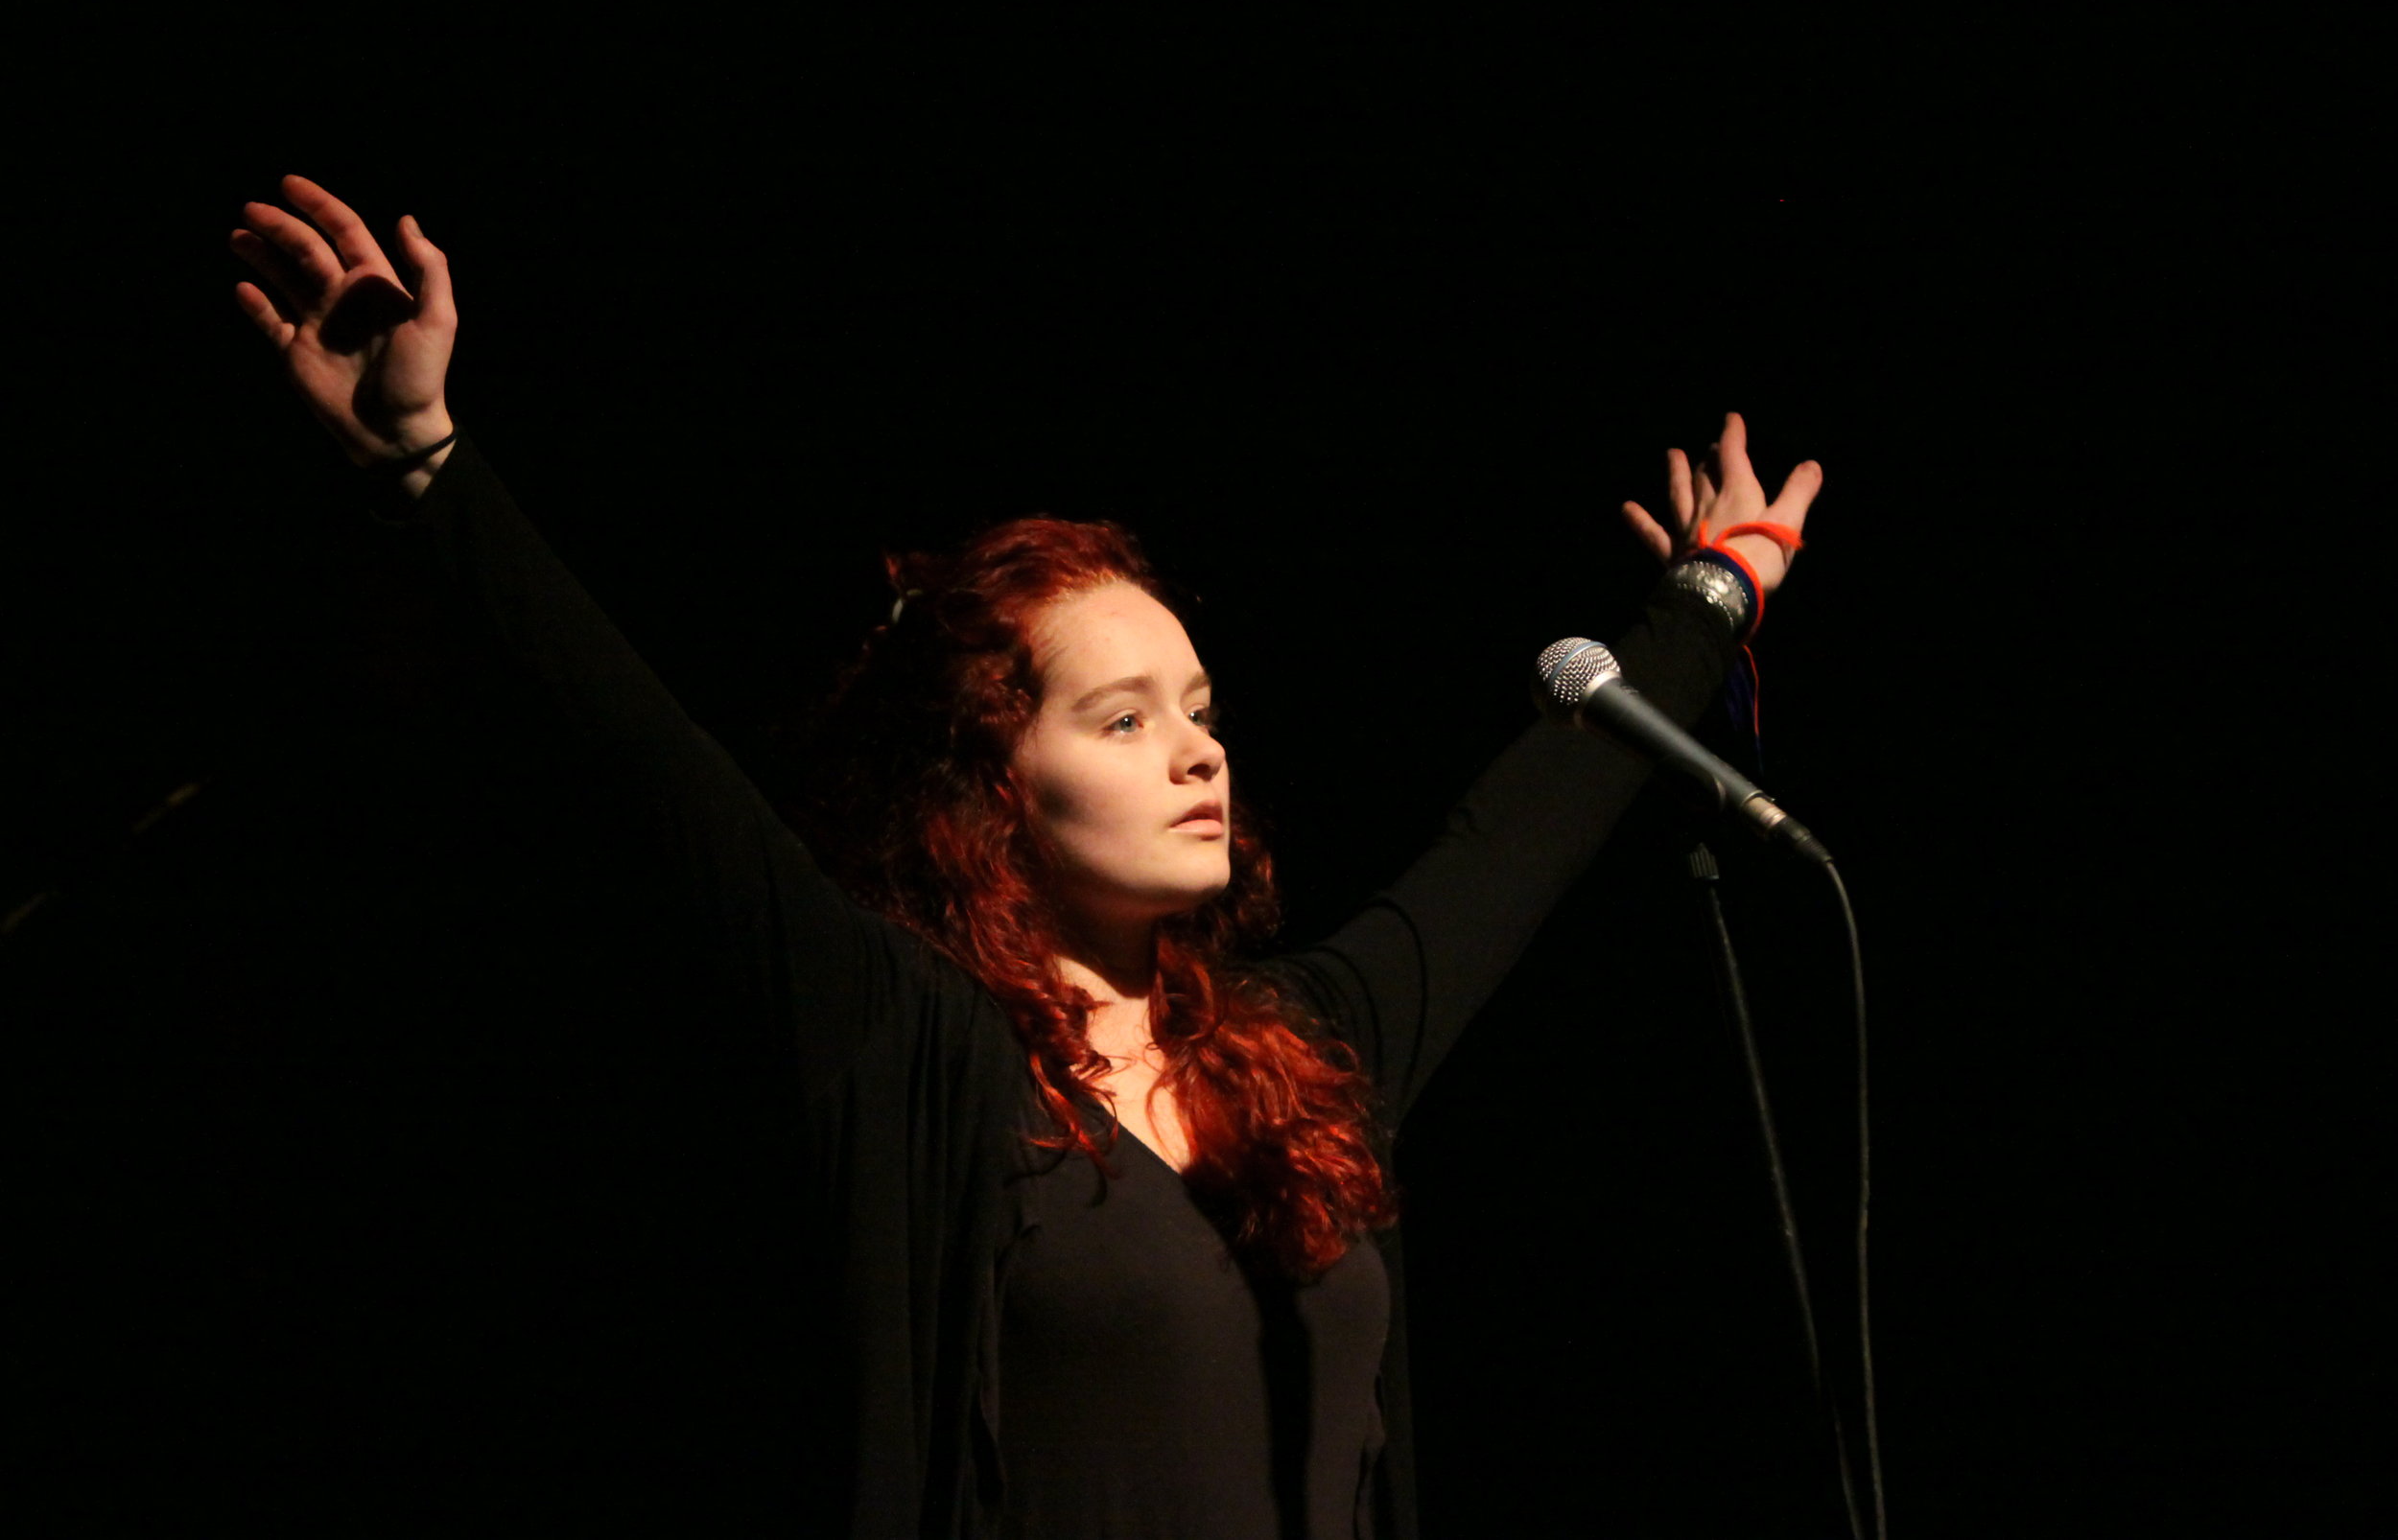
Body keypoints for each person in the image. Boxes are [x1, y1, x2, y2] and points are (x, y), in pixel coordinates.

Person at [230, 175, 1823, 1539]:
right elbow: (650, 768)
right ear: (995, 781)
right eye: (1122, 721)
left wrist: (1708, 600)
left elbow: (1517, 836)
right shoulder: (916, 1046)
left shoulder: (1310, 1048)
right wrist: (426, 461)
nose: (1199, 750)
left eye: (1198, 711)